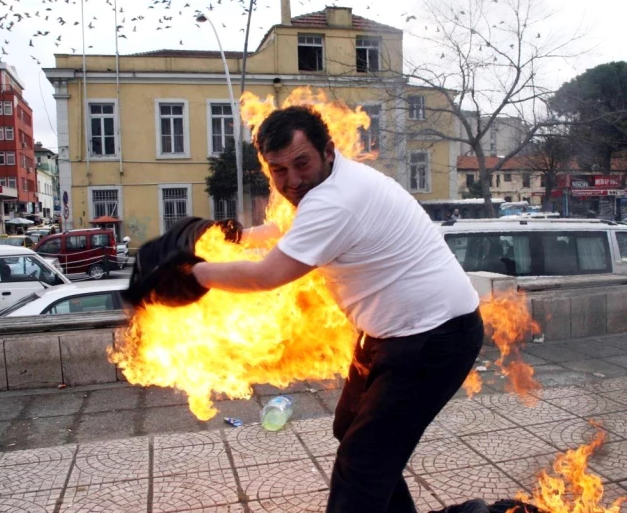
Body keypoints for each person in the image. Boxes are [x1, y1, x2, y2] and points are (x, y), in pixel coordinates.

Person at [191, 106, 484, 513]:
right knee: (350, 429)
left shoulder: (337, 200)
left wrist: (193, 274)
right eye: (279, 171)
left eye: (301, 163)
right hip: (392, 334)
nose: (292, 181)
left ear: (327, 151)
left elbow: (267, 275)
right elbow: (293, 227)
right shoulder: (333, 184)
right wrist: (235, 235)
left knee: (361, 464)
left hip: (434, 337)